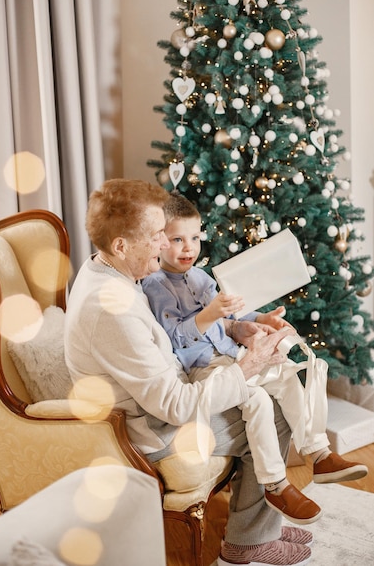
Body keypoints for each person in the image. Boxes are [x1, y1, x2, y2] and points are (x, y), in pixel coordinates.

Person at [65, 179, 315, 566]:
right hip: (153, 429)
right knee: (275, 408)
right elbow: (176, 408)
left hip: (162, 398)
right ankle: (248, 541)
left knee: (265, 394)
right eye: (155, 237)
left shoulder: (110, 270)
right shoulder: (110, 311)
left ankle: (257, 528)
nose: (166, 245)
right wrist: (245, 369)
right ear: (120, 245)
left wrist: (235, 328)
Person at [142, 191, 368, 526]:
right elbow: (177, 336)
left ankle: (318, 453)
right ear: (159, 241)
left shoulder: (202, 276)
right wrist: (210, 313)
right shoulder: (156, 285)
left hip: (234, 356)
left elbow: (237, 312)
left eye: (194, 237)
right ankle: (275, 484)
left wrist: (264, 320)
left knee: (288, 377)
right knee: (259, 400)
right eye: (177, 239)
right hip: (206, 370)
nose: (188, 248)